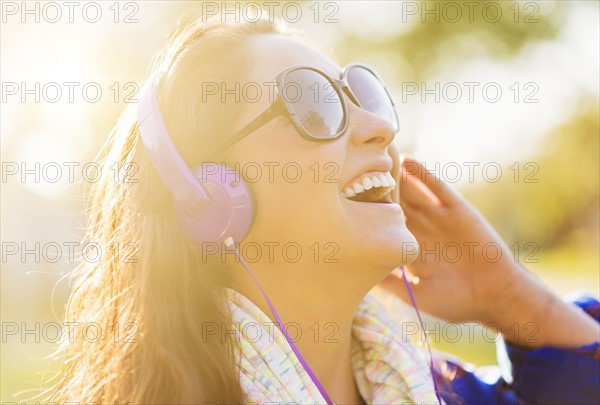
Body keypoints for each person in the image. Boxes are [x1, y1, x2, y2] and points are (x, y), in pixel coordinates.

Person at [45, 15, 599, 404]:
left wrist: (509, 297)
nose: (380, 128)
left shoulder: (435, 394)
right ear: (208, 198)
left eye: (362, 94)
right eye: (313, 103)